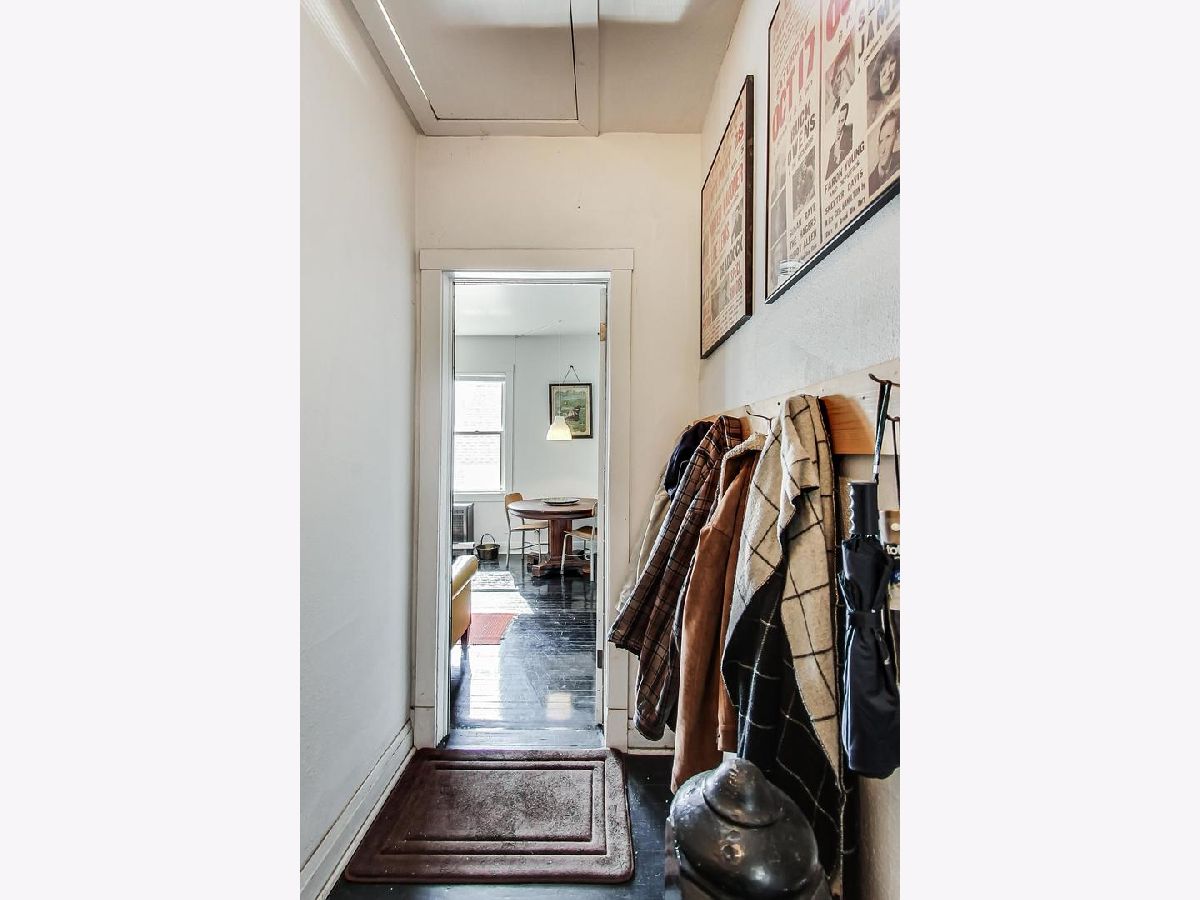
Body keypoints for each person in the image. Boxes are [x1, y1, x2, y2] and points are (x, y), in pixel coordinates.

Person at [868, 108, 899, 194]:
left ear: (896, 137)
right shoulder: (870, 183)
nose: (883, 149)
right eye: (881, 141)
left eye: (888, 137)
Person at [825, 103, 853, 178]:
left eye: (842, 121)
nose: (839, 126)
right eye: (838, 121)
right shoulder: (832, 149)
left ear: (845, 120)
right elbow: (828, 175)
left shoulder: (850, 130)